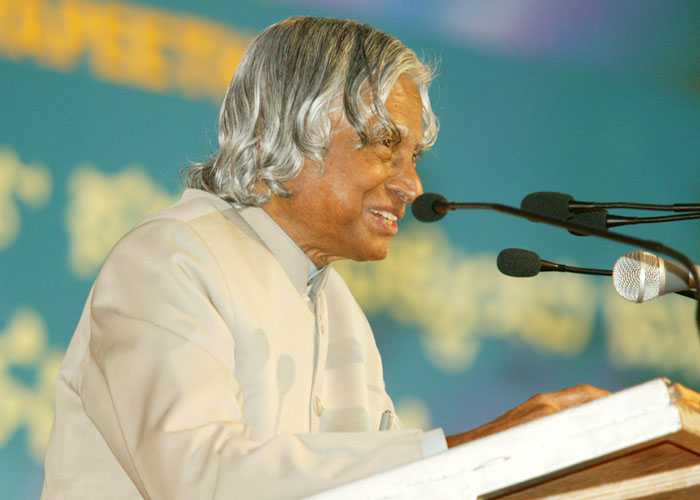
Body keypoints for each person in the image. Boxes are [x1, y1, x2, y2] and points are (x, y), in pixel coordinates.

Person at [41, 16, 606, 500]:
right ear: (289, 129)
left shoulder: (338, 308)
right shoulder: (170, 258)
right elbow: (202, 478)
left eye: (414, 156)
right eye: (386, 145)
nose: (411, 185)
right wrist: (471, 449)